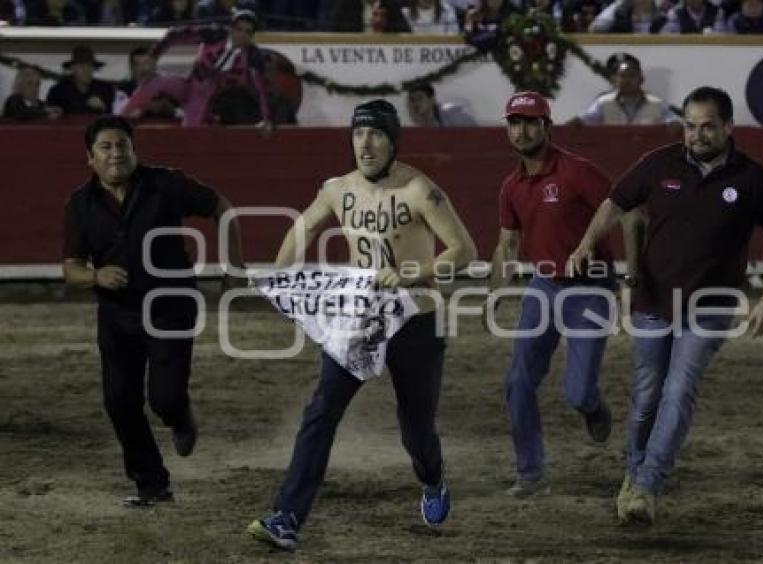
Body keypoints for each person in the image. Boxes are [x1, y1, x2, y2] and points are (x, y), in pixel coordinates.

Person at [246, 99, 477, 551]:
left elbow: (463, 250)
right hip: (362, 319)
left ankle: (432, 479)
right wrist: (280, 275)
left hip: (415, 320)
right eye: (357, 134)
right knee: (321, 412)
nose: (365, 144)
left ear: (393, 141)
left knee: (416, 427)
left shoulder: (419, 189)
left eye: (375, 135)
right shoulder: (337, 188)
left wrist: (414, 272)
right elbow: (304, 229)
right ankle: (286, 517)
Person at [568, 86, 763, 526]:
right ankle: (634, 474)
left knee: (678, 389)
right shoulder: (660, 163)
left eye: (707, 126)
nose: (697, 135)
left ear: (729, 127)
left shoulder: (752, 179)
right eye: (690, 126)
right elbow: (616, 202)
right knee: (647, 395)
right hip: (654, 299)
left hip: (712, 305)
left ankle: (648, 484)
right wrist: (586, 242)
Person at [62, 116, 245, 507]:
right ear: (90, 158)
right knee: (119, 402)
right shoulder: (80, 204)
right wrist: (96, 276)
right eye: (106, 147)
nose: (116, 154)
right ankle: (152, 485)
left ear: (134, 149)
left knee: (164, 399)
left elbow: (221, 207)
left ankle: (179, 416)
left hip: (170, 307)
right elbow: (71, 267)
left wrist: (235, 266)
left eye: (122, 145)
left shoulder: (165, 184)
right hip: (117, 316)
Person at [485, 91, 617, 498]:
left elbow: (619, 207)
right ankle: (530, 472)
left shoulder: (578, 172)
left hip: (590, 287)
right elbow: (508, 242)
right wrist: (496, 281)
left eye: (529, 122)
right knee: (518, 382)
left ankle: (592, 406)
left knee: (577, 390)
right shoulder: (511, 186)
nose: (521, 130)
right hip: (543, 286)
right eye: (514, 123)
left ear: (546, 126)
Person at [122, 9, 271, 127]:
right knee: (156, 82)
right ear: (231, 28)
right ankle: (121, 116)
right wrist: (154, 55)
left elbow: (261, 90)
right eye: (239, 29)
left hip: (210, 99)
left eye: (247, 32)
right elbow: (176, 34)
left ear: (252, 36)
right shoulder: (214, 33)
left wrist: (266, 119)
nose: (242, 35)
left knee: (192, 122)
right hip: (189, 83)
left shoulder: (253, 55)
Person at [573, 54, 678, 126]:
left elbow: (673, 122)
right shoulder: (603, 102)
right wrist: (575, 122)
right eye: (622, 76)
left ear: (641, 80)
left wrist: (674, 124)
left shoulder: (657, 104)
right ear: (614, 80)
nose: (627, 80)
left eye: (631, 76)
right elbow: (584, 120)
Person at [113, 47, 180, 120]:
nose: (144, 68)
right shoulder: (124, 88)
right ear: (132, 68)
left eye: (147, 63)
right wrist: (143, 108)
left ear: (155, 65)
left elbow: (186, 114)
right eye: (138, 65)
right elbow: (118, 114)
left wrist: (169, 109)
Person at [46, 45, 115, 116]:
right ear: (72, 68)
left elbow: (115, 118)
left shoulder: (105, 89)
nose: (86, 71)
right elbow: (48, 117)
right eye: (81, 66)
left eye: (90, 66)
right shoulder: (58, 91)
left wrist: (103, 107)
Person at [406, 82, 476, 126]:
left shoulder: (452, 115)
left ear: (432, 99)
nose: (415, 103)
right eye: (412, 99)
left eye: (419, 98)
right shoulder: (418, 121)